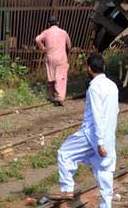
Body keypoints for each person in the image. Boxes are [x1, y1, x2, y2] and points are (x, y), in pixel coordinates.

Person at [51, 54, 119, 208]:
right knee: (105, 170)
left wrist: (100, 141)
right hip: (107, 135)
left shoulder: (94, 87)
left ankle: (67, 189)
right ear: (104, 67)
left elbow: (97, 114)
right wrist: (106, 138)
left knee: (64, 153)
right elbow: (115, 111)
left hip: (91, 134)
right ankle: (106, 205)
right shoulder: (112, 85)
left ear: (89, 68)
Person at [35, 15, 72, 105]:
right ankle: (60, 97)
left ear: (48, 24)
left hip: (50, 57)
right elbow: (69, 45)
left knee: (51, 76)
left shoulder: (46, 32)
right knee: (61, 77)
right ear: (58, 23)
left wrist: (43, 48)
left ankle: (50, 95)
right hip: (61, 58)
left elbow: (37, 39)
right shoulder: (63, 32)